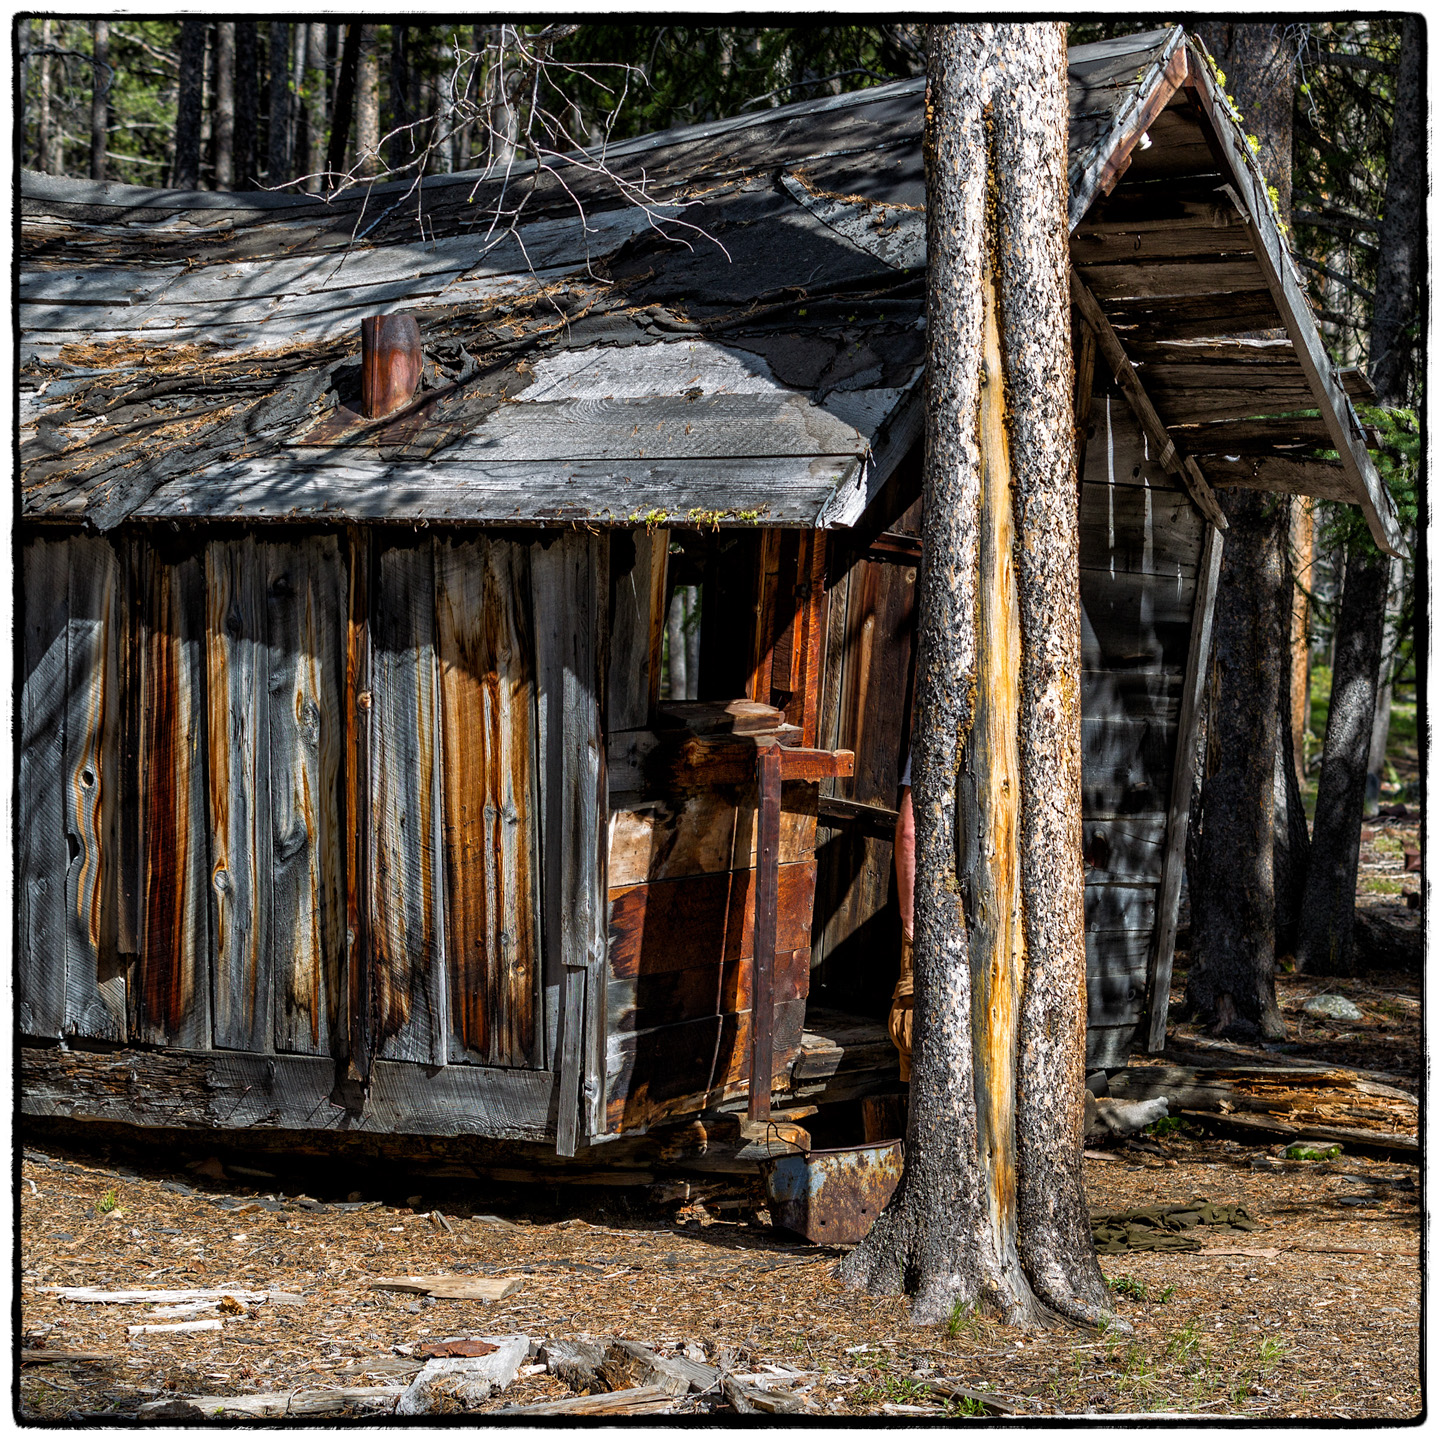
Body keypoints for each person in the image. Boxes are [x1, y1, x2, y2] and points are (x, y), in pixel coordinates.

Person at [889, 754, 915, 1081]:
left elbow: (909, 831)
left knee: (912, 1033)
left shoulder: (936, 725)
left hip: (934, 924)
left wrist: (910, 922)